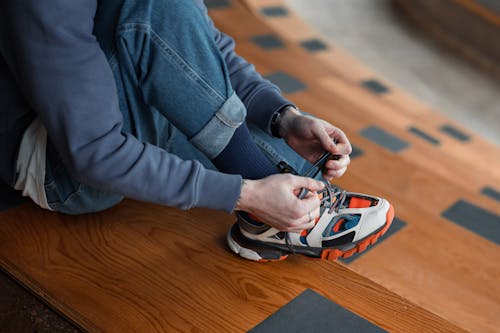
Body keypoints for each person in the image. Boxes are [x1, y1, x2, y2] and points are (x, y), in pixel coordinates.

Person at [0, 0, 393, 261]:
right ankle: (269, 209)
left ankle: (272, 214)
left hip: (100, 106)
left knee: (291, 159)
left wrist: (282, 116)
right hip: (56, 164)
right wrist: (246, 194)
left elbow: (196, 50)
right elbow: (93, 153)